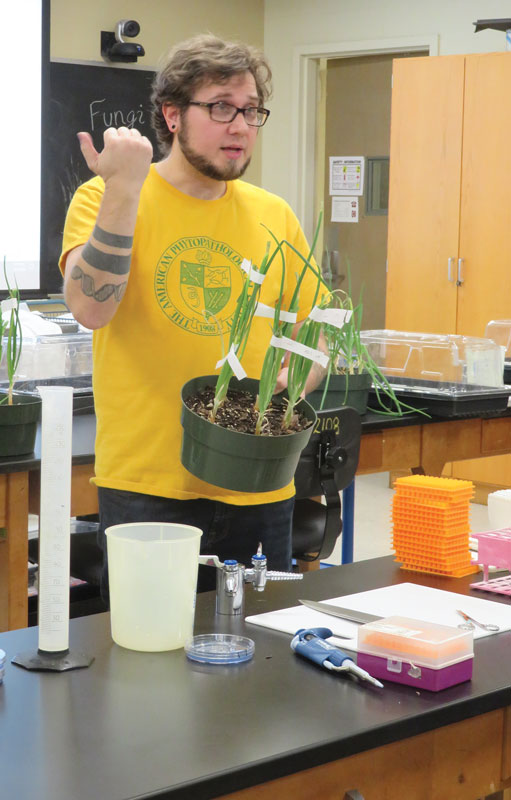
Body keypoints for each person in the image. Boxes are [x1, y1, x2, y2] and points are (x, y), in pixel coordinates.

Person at [59, 34, 326, 600]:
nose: (241, 126)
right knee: (148, 667)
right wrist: (125, 188)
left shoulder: (273, 214)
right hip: (148, 487)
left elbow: (316, 326)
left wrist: (295, 378)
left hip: (260, 483)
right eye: (222, 107)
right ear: (173, 115)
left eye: (252, 110)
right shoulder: (103, 196)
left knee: (262, 666)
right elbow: (89, 307)